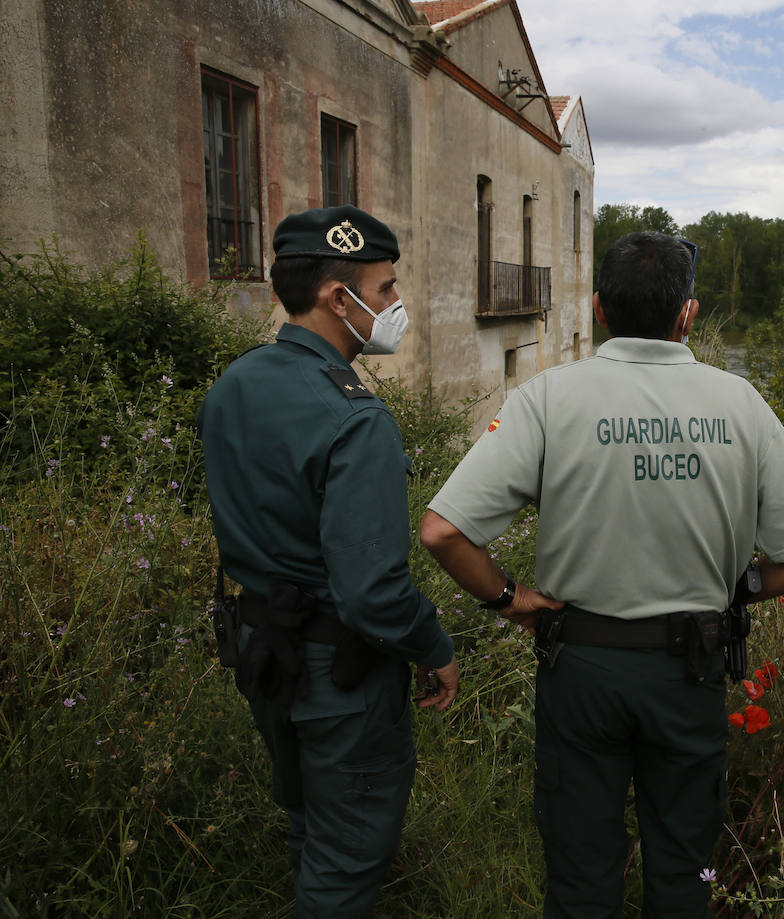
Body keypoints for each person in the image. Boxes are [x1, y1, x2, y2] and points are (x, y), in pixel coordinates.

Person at [420, 230, 784, 919]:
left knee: (581, 873)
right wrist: (748, 586)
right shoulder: (741, 404)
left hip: (579, 668)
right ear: (688, 314)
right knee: (682, 871)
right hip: (689, 671)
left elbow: (441, 529)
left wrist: (508, 597)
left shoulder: (548, 397)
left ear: (599, 309)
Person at [197, 204, 461, 919]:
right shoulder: (354, 417)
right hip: (337, 676)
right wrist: (434, 645)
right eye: (384, 289)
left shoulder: (232, 387)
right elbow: (372, 591)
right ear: (336, 297)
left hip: (262, 652)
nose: (394, 305)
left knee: (311, 824)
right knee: (346, 860)